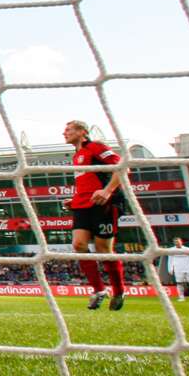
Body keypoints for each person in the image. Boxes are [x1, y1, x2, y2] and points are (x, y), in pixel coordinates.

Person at [65, 120, 127, 311]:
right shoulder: (76, 156)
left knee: (103, 249)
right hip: (82, 205)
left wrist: (107, 191)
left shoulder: (96, 147)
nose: (64, 133)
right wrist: (75, 200)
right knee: (78, 245)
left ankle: (119, 291)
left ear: (82, 132)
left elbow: (122, 167)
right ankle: (99, 290)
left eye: (69, 129)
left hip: (103, 204)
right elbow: (88, 181)